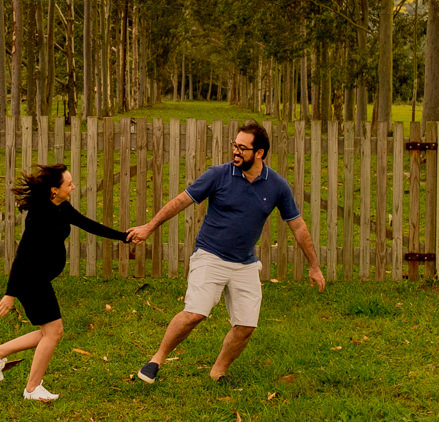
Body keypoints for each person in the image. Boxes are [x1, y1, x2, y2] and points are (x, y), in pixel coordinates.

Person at [127, 121, 325, 388]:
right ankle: (156, 360)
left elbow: (298, 225)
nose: (235, 152)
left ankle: (218, 372)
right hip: (210, 255)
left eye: (243, 148)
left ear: (260, 153)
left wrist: (313, 265)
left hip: (244, 263)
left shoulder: (276, 185)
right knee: (195, 313)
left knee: (246, 325)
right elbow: (181, 201)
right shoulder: (218, 175)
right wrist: (149, 227)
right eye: (235, 145)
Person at [0, 164, 132, 402]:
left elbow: (88, 224)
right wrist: (10, 293)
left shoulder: (62, 207)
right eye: (69, 184)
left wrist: (124, 237)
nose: (73, 186)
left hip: (40, 278)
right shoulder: (39, 215)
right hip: (31, 279)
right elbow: (23, 254)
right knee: (54, 332)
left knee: (48, 332)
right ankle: (32, 389)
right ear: (54, 190)